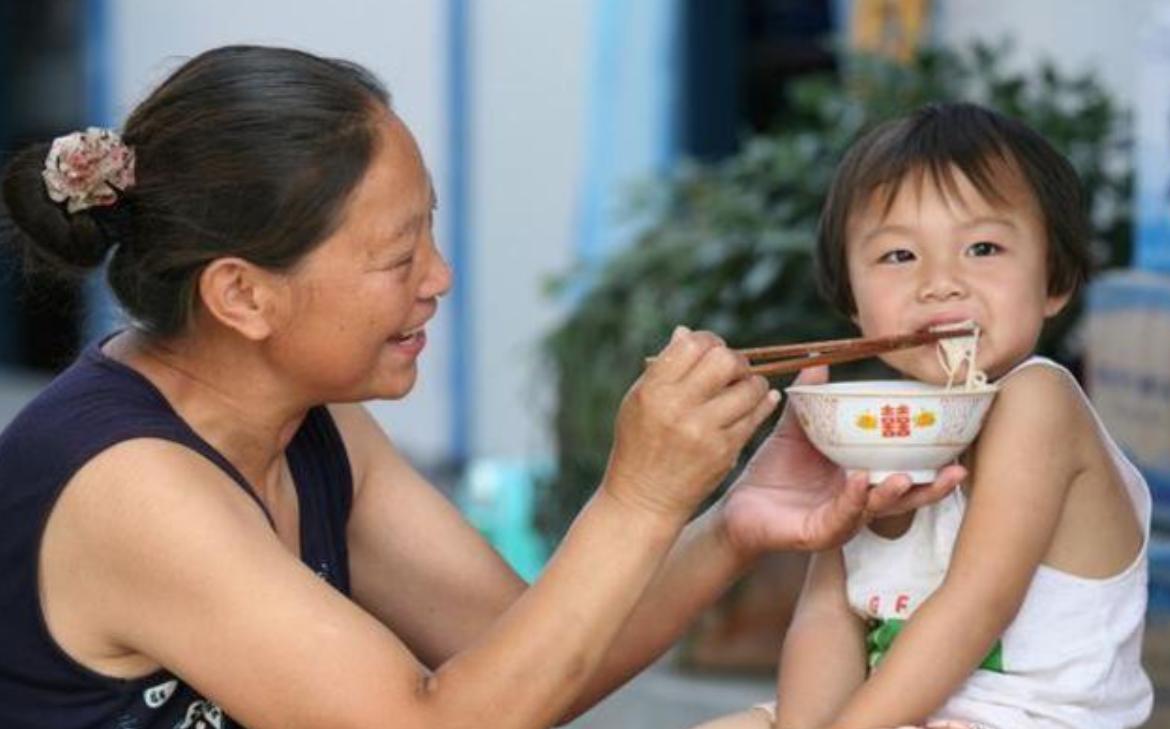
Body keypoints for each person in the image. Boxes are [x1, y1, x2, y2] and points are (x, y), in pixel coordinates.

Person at [0, 46, 965, 729]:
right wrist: (636, 494)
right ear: (243, 294)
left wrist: (736, 520)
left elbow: (521, 661)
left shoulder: (310, 422)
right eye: (396, 253)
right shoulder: (131, 485)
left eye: (432, 228)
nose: (440, 276)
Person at [695, 102, 1154, 729]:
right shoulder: (868, 426)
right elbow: (829, 617)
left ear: (1054, 280)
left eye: (983, 247)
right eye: (899, 257)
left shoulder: (1038, 401)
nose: (941, 283)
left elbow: (978, 602)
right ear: (853, 301)